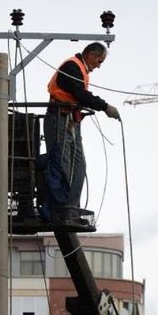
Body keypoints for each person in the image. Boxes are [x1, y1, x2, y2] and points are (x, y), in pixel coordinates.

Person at [43, 42, 120, 218]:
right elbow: (80, 94)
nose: (98, 66)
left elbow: (79, 95)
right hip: (59, 118)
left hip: (70, 120)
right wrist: (105, 106)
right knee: (62, 164)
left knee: (78, 166)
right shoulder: (72, 67)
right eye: (99, 61)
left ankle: (71, 209)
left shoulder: (79, 69)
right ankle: (59, 209)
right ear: (91, 55)